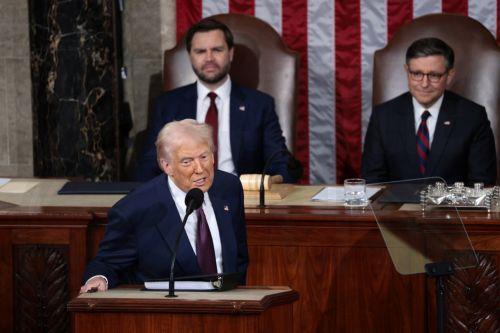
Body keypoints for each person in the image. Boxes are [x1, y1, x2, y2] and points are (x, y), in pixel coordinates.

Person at [80, 119, 248, 292]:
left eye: (204, 157)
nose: (199, 169)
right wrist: (99, 278)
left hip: (228, 306)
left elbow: (239, 257)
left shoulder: (229, 187)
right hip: (168, 312)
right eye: (187, 161)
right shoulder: (135, 208)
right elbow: (107, 263)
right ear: (166, 165)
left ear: (213, 156)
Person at [134, 18, 299, 183]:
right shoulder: (167, 105)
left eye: (217, 50)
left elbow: (279, 161)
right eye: (200, 51)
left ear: (231, 53)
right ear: (190, 56)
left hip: (242, 198)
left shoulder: (260, 105)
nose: (209, 58)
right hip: (184, 198)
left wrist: (274, 183)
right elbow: (150, 163)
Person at [362, 37, 496, 185]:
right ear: (407, 71)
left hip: (452, 208)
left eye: (434, 75)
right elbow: (372, 182)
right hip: (394, 207)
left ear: (449, 75)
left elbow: (482, 183)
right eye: (417, 74)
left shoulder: (473, 116)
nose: (424, 84)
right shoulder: (383, 116)